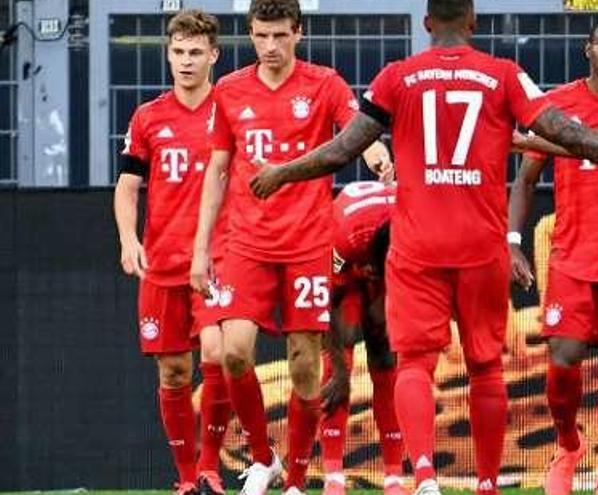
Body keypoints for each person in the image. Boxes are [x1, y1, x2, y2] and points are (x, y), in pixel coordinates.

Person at [248, 1, 598, 494]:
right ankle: (485, 484)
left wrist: (282, 172)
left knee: (414, 363)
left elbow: (342, 149)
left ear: (425, 23)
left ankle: (423, 478)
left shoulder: (397, 77)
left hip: (417, 245)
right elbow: (572, 134)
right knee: (485, 367)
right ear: (474, 23)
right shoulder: (503, 75)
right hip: (482, 246)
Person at [188, 1, 392, 494]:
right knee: (233, 354)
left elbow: (357, 130)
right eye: (261, 36)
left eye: (280, 35)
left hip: (307, 243)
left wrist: (376, 153)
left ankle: (298, 480)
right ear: (251, 35)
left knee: (305, 366)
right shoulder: (231, 90)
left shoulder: (324, 84)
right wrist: (200, 249)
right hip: (247, 243)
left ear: (298, 33)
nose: (270, 46)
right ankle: (264, 458)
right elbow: (218, 171)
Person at [508, 16, 598, 495]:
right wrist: (513, 241)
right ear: (587, 50)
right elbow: (525, 180)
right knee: (563, 359)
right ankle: (568, 444)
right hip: (570, 256)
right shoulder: (560, 104)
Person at [113, 10, 231, 495]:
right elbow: (127, 186)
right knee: (174, 369)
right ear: (168, 53)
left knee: (220, 354)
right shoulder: (148, 116)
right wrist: (128, 239)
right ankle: (186, 479)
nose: (185, 61)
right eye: (178, 51)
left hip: (218, 257)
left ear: (214, 55)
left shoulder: (230, 109)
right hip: (162, 261)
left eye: (195, 52)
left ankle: (210, 468)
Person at [319, 180, 407, 495]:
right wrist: (342, 376)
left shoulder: (415, 228)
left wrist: (385, 305)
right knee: (337, 356)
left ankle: (394, 476)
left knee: (385, 353)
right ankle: (333, 476)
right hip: (346, 257)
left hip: (391, 257)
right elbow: (326, 303)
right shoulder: (346, 235)